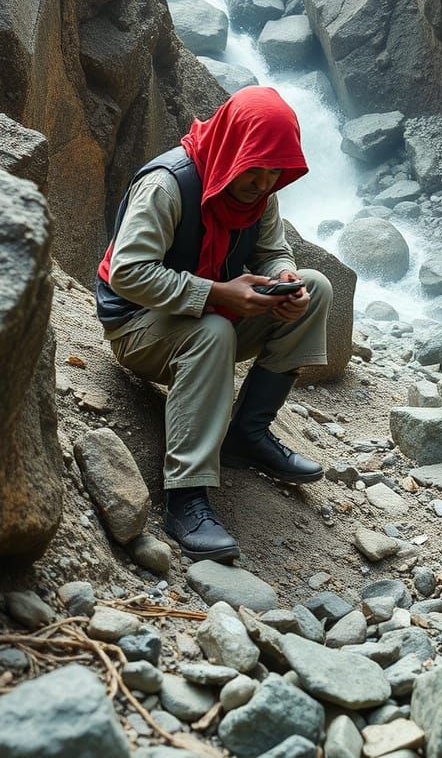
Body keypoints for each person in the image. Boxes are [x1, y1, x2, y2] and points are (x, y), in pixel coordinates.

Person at [95, 86, 331, 562]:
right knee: (214, 330)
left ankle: (246, 435)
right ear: (233, 146)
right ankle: (185, 497)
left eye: (274, 171)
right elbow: (128, 273)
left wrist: (284, 279)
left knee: (317, 286)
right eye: (256, 167)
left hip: (207, 310)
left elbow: (272, 251)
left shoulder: (262, 192)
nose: (264, 182)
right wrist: (218, 294)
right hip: (139, 327)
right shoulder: (168, 185)